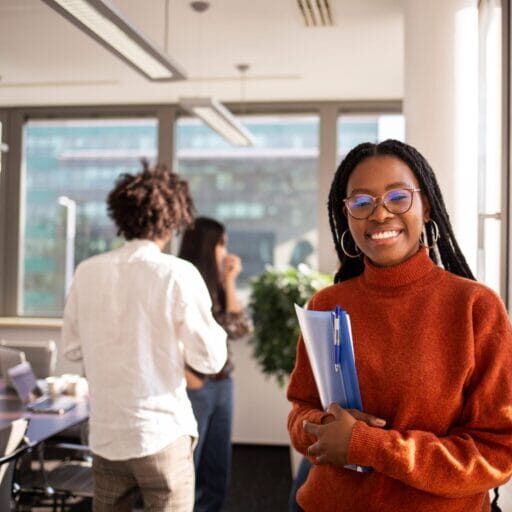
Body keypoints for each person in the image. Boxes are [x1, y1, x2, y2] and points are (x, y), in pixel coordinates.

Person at [287, 139, 512, 512]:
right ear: (346, 216)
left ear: (426, 208)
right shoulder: (326, 304)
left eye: (398, 197)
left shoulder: (475, 307)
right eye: (361, 203)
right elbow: (300, 412)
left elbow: (496, 453)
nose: (379, 214)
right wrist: (326, 427)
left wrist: (367, 444)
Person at [62, 163, 228, 512]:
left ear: (120, 216)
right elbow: (210, 359)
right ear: (173, 220)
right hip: (161, 434)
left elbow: (73, 350)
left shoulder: (87, 272)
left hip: (107, 435)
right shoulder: (178, 273)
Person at [178, 217, 251, 512]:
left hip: (222, 384)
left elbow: (240, 329)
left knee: (218, 467)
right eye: (222, 244)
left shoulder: (218, 284)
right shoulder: (181, 280)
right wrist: (188, 377)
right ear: (207, 245)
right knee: (186, 468)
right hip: (194, 386)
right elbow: (168, 335)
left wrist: (229, 283)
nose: (226, 251)